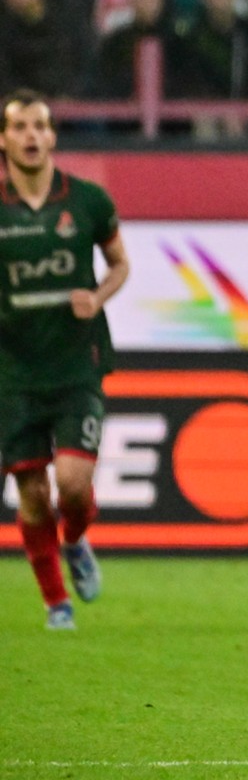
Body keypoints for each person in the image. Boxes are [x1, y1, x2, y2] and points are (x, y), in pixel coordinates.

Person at [0, 89, 131, 629]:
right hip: (12, 372)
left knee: (74, 485)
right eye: (19, 127)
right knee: (32, 495)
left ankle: (75, 539)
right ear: (3, 140)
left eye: (39, 125)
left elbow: (120, 264)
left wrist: (96, 297)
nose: (31, 136)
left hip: (77, 363)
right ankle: (57, 604)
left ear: (53, 136)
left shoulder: (89, 201)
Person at [85, 0, 192, 98]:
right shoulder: (116, 42)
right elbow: (100, 84)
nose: (149, 4)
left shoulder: (178, 46)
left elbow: (188, 87)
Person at [0, 0, 86, 94]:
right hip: (28, 101)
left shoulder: (69, 21)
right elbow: (7, 77)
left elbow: (85, 61)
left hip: (73, 99)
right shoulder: (6, 36)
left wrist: (73, 93)